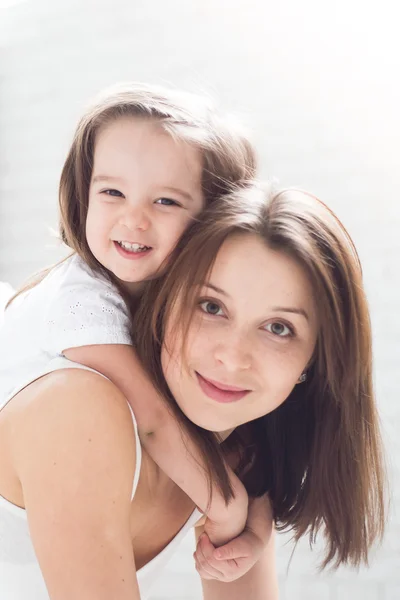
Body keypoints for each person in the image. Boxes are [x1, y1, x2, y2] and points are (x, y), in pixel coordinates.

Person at [0, 182, 386, 599]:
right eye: (211, 306)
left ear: (313, 363)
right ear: (167, 301)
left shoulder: (236, 458)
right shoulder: (78, 410)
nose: (233, 357)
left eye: (279, 328)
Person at [0, 81, 259, 551]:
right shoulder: (78, 300)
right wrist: (225, 505)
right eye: (112, 192)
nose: (134, 219)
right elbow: (153, 420)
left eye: (166, 201)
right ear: (84, 195)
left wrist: (254, 527)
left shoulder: (181, 310)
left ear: (215, 218)